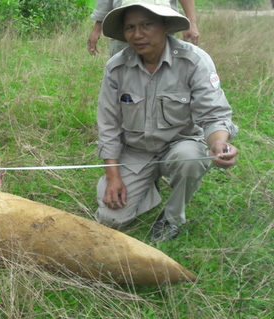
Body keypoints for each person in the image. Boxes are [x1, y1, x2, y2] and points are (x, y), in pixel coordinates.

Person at [94, 0, 239, 241]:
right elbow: (108, 125)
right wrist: (113, 176)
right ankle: (147, 185)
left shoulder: (194, 61)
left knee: (189, 158)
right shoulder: (116, 67)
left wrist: (218, 143)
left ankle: (172, 217)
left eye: (147, 25)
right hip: (135, 151)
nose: (137, 34)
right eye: (130, 27)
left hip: (179, 145)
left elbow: (213, 115)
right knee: (111, 219)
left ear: (165, 25)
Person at [87, 0, 199, 57]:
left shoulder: (197, 63)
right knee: (123, 71)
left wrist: (192, 23)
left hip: (159, 20)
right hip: (125, 22)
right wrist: (97, 28)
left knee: (165, 69)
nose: (138, 35)